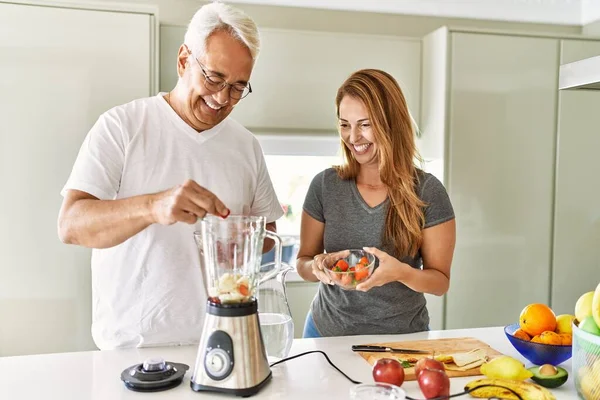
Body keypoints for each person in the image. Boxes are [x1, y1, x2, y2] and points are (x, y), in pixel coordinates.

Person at [57, 2, 283, 350]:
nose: (223, 98)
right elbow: (71, 225)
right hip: (132, 348)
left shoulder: (246, 146)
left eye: (239, 87)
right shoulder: (123, 126)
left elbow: (267, 234)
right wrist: (153, 207)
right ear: (183, 60)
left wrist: (235, 238)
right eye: (214, 78)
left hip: (224, 340)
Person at [296, 69, 456, 338]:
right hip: (325, 334)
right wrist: (317, 266)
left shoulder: (427, 191)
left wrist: (401, 273)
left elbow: (439, 282)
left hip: (402, 339)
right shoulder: (325, 185)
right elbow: (302, 261)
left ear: (390, 123)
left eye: (365, 124)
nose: (353, 137)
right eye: (345, 124)